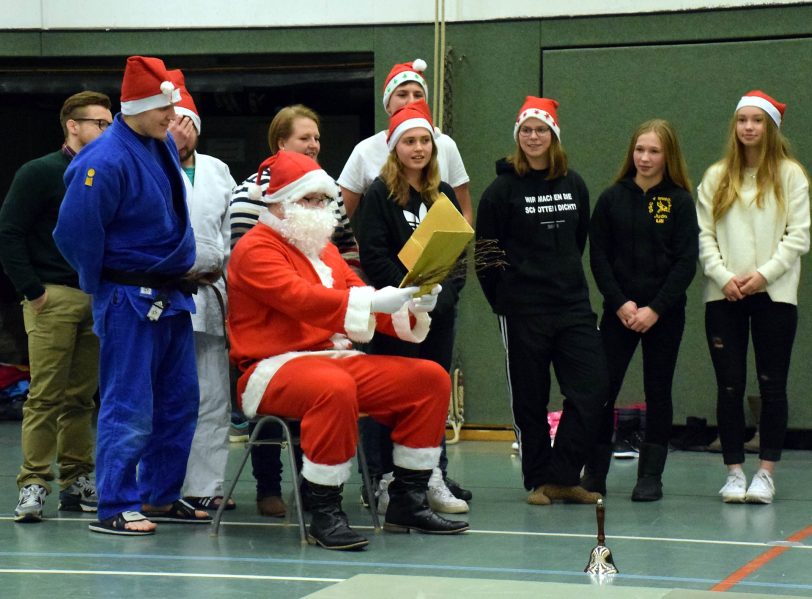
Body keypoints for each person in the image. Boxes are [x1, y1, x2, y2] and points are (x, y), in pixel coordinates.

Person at [228, 149, 468, 550]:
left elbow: (358, 295)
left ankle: (407, 499)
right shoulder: (255, 248)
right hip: (270, 368)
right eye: (310, 200)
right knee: (333, 386)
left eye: (324, 200)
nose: (321, 208)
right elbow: (300, 299)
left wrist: (410, 305)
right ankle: (324, 511)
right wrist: (374, 302)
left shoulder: (324, 251)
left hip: (333, 361)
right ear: (278, 201)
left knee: (429, 379)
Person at [53, 55, 211, 535]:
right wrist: (102, 283)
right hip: (128, 298)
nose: (173, 117)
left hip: (171, 294)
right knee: (129, 404)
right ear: (139, 106)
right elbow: (74, 233)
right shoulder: (103, 159)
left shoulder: (157, 142)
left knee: (179, 401)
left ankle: (159, 495)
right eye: (165, 109)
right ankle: (115, 504)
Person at [338, 58, 472, 504]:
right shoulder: (379, 194)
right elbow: (373, 254)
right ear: (395, 147)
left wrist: (443, 296)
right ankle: (380, 478)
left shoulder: (442, 193)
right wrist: (408, 297)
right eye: (409, 142)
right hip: (396, 314)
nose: (418, 149)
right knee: (389, 396)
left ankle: (429, 475)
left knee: (433, 389)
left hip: (438, 313)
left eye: (424, 142)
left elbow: (455, 252)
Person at [475, 96, 607, 506]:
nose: (534, 137)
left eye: (541, 130)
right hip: (522, 310)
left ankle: (563, 475)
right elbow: (486, 253)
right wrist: (506, 298)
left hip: (572, 306)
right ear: (518, 137)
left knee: (593, 388)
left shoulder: (575, 184)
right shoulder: (500, 191)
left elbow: (578, 239)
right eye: (526, 130)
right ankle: (538, 480)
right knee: (530, 399)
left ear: (554, 136)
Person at [229, 104, 356, 518]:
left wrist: (357, 294)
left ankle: (315, 486)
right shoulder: (255, 196)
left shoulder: (324, 192)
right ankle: (272, 487)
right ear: (281, 143)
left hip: (324, 324)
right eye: (305, 138)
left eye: (317, 137)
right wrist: (348, 302)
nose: (314, 144)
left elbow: (343, 246)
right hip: (271, 329)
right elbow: (257, 262)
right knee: (317, 391)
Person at [0, 91, 112, 522]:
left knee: (81, 399)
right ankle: (33, 482)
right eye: (99, 124)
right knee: (45, 396)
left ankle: (77, 479)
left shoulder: (104, 172)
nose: (106, 131)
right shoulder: (40, 172)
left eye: (109, 124)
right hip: (52, 296)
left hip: (96, 296)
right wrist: (33, 290)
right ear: (73, 125)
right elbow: (9, 233)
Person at [697, 90, 810, 504]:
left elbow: (797, 236)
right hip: (722, 294)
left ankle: (765, 473)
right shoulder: (716, 176)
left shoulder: (791, 175)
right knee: (729, 385)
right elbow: (704, 235)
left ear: (770, 127)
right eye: (742, 120)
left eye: (757, 121)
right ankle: (732, 472)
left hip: (774, 294)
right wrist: (724, 277)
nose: (748, 127)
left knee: (771, 384)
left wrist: (763, 276)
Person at [586, 119, 698, 501]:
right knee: (603, 389)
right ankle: (594, 471)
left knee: (658, 390)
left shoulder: (680, 201)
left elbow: (686, 262)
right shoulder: (611, 198)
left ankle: (651, 475)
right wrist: (620, 303)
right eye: (640, 150)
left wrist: (655, 309)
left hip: (663, 316)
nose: (645, 158)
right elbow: (598, 255)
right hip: (619, 313)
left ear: (668, 156)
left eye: (654, 151)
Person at [165, 70, 237, 511]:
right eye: (174, 121)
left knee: (212, 398)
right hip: (161, 294)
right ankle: (160, 488)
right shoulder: (147, 164)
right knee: (162, 397)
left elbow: (229, 236)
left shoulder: (218, 170)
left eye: (189, 122)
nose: (183, 129)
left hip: (211, 295)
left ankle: (204, 488)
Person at [338, 58, 472, 225]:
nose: (410, 101)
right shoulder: (365, 150)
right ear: (387, 104)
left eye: (418, 95)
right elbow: (341, 218)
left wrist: (451, 246)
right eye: (402, 94)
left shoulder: (446, 145)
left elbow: (463, 212)